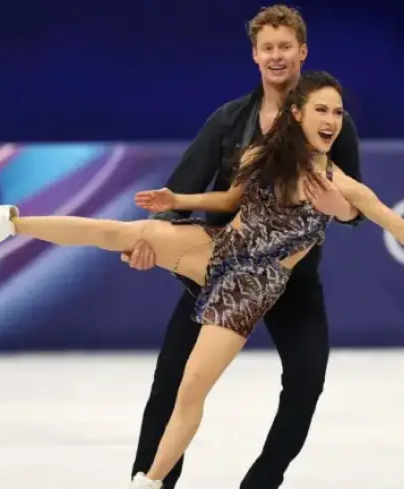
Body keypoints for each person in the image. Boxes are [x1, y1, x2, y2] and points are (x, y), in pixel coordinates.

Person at [0, 70, 404, 489]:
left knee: (191, 389)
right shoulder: (261, 154)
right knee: (118, 231)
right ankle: (0, 224)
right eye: (322, 110)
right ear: (298, 115)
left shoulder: (342, 186)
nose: (333, 120)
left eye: (338, 112)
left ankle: (149, 482)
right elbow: (232, 199)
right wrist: (177, 201)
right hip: (217, 249)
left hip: (252, 286)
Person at [124, 6, 363, 489]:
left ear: (302, 52)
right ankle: (150, 482)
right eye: (267, 47)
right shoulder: (230, 120)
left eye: (285, 47)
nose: (277, 56)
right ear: (255, 55)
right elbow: (179, 193)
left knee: (306, 381)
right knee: (171, 383)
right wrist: (149, 242)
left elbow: (355, 207)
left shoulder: (330, 120)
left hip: (290, 278)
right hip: (221, 270)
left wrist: (342, 208)